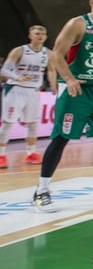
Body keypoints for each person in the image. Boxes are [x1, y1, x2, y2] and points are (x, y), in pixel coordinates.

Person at [34, 0, 93, 211]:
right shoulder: (77, 24)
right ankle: (42, 189)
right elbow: (56, 54)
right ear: (91, 2)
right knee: (61, 137)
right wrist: (69, 79)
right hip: (77, 89)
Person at [0, 25, 57, 168]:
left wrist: (53, 85)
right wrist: (17, 77)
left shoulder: (48, 53)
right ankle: (1, 155)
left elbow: (51, 71)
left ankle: (31, 153)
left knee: (33, 123)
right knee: (8, 123)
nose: (40, 36)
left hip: (33, 91)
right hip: (15, 90)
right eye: (37, 33)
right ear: (30, 36)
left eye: (42, 34)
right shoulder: (19, 50)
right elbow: (4, 70)